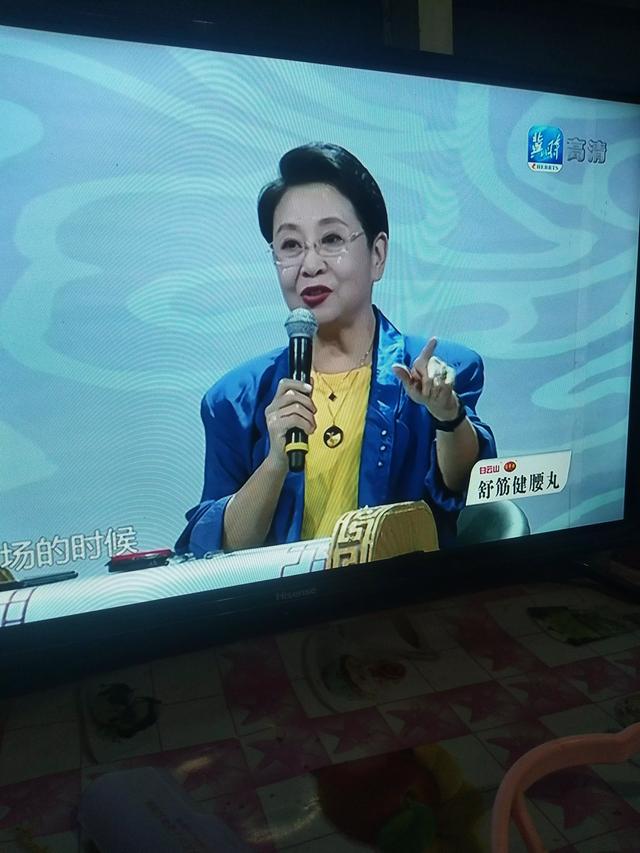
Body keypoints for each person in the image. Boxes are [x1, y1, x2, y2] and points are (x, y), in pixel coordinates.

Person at [176, 143, 496, 557]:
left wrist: (447, 415)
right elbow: (218, 551)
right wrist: (275, 461)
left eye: (330, 239)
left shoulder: (438, 369)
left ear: (377, 254)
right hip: (285, 598)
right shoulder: (235, 398)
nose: (310, 265)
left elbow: (466, 487)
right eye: (290, 245)